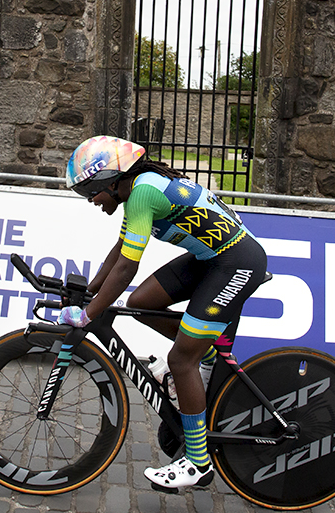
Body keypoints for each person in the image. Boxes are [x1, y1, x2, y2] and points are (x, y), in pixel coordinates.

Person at [59, 135, 268, 492]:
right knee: (142, 304)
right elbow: (120, 251)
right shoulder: (137, 191)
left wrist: (89, 314)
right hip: (212, 260)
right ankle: (205, 354)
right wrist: (89, 291)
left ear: (109, 181)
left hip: (236, 263)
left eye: (90, 192)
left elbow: (126, 267)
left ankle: (198, 464)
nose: (91, 201)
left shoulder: (142, 194)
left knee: (180, 360)